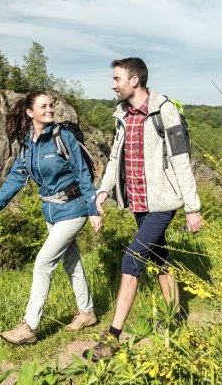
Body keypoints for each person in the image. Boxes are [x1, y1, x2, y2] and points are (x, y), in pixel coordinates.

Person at [83, 58, 203, 361]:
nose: (113, 85)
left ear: (134, 80)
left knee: (132, 260)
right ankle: (175, 319)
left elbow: (180, 160)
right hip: (137, 203)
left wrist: (192, 207)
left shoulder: (165, 110)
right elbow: (115, 158)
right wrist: (104, 189)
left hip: (163, 202)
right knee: (160, 256)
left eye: (117, 78)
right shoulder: (122, 115)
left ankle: (112, 338)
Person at [0, 91, 102, 345]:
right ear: (30, 112)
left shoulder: (63, 137)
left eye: (51, 105)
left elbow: (82, 173)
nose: (50, 109)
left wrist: (93, 210)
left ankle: (29, 327)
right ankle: (87, 311)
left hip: (74, 208)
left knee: (43, 263)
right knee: (72, 262)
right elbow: (16, 176)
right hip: (51, 212)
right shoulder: (28, 145)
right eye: (44, 106)